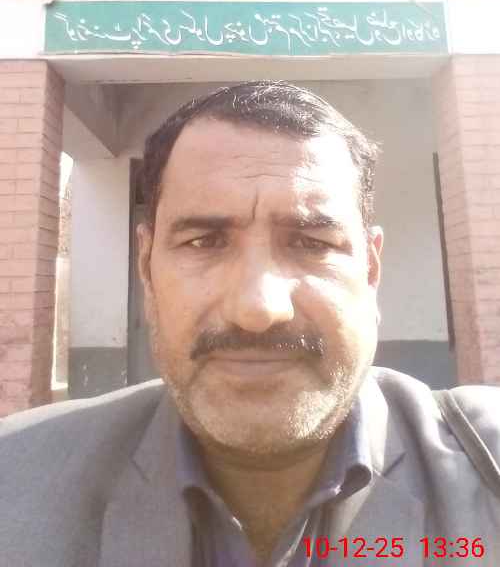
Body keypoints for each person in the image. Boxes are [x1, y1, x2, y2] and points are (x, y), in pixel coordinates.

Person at [1, 80, 499, 567]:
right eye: (203, 242)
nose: (259, 309)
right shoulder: (15, 476)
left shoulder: (486, 463)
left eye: (311, 243)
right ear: (146, 268)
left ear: (370, 270)